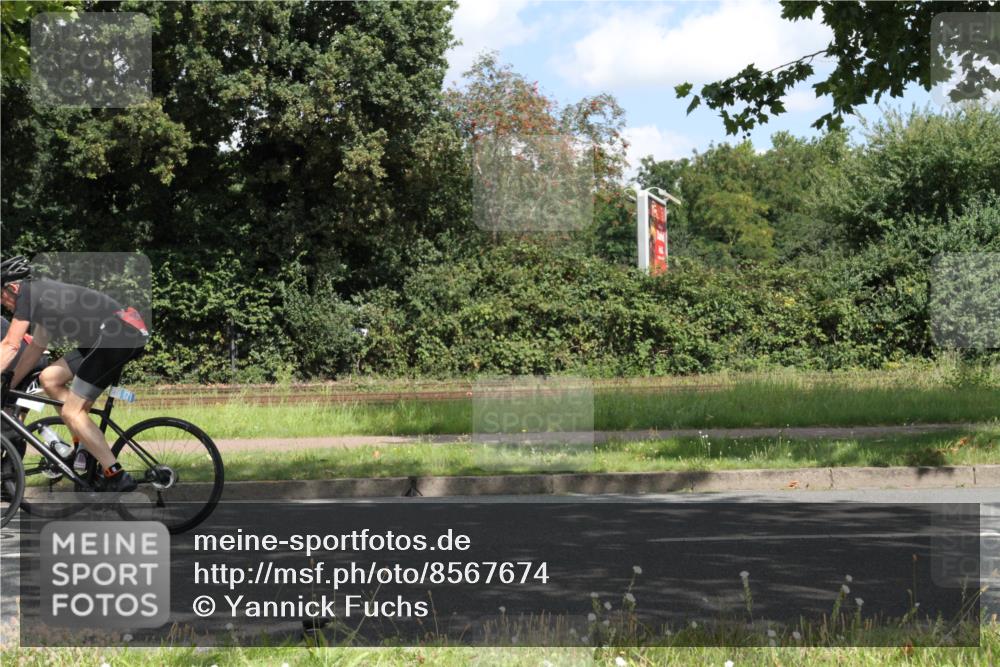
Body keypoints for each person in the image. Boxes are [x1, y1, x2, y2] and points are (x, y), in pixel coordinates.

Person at [0, 256, 149, 492]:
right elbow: (36, 348)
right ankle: (84, 450)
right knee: (49, 378)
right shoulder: (42, 299)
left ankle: (115, 474)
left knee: (72, 411)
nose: (3, 303)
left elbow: (10, 345)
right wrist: (9, 385)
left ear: (12, 287)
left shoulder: (27, 295)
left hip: (118, 335)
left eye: (1, 296)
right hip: (107, 337)